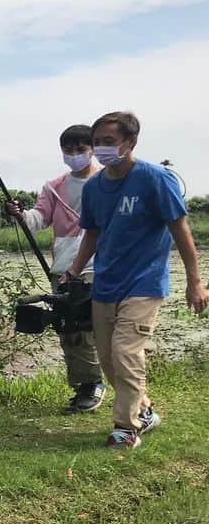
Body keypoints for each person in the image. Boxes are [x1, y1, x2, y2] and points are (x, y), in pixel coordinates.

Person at [66, 111, 208, 450]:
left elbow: (181, 230)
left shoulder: (156, 179)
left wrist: (195, 282)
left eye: (109, 142)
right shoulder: (95, 188)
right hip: (105, 284)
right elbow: (92, 234)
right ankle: (143, 411)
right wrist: (74, 270)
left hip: (144, 284)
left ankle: (125, 429)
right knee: (108, 360)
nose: (101, 148)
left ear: (130, 142)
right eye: (97, 142)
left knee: (126, 353)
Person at [5, 124, 106, 413]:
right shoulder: (54, 187)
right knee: (70, 328)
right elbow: (38, 219)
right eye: (68, 150)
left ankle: (103, 382)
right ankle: (86, 385)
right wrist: (20, 215)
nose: (74, 154)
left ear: (92, 150)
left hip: (100, 265)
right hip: (64, 268)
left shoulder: (107, 181)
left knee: (100, 327)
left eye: (80, 149)